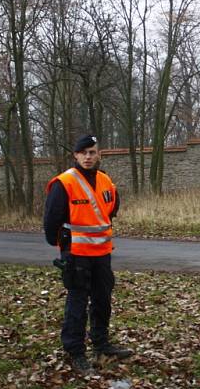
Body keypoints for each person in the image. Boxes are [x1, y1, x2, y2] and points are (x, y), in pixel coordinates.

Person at [44, 135, 133, 373]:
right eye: (83, 152)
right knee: (77, 302)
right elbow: (51, 221)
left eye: (92, 152)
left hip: (102, 253)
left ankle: (101, 344)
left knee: (103, 300)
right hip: (76, 254)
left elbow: (112, 207)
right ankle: (75, 351)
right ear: (75, 155)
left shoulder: (106, 181)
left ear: (99, 154)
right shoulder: (64, 182)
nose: (88, 156)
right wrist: (62, 247)